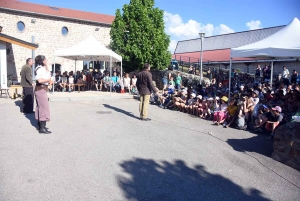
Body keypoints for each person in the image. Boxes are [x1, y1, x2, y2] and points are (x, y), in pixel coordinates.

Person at [34, 55, 52, 134]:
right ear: (42, 61)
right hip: (41, 88)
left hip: (41, 89)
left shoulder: (41, 68)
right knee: (43, 107)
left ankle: (41, 125)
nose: (46, 61)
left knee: (41, 107)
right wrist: (49, 80)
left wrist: (47, 69)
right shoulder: (40, 69)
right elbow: (40, 80)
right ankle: (42, 127)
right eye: (45, 60)